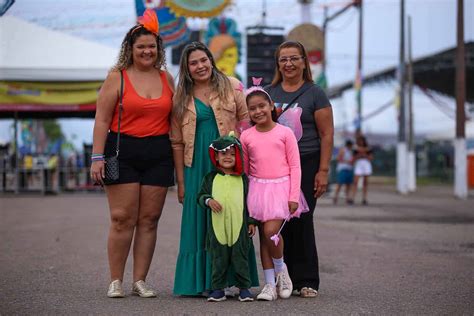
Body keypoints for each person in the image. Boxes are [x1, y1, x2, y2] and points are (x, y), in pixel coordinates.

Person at [90, 9, 175, 298]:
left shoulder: (167, 78)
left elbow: (176, 119)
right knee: (122, 218)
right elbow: (102, 119)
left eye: (152, 46)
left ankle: (140, 280)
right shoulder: (118, 78)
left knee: (149, 220)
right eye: (141, 47)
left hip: (159, 153)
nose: (147, 51)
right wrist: (96, 157)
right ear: (131, 49)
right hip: (122, 150)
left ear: (158, 49)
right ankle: (116, 280)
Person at [170, 41, 259, 296]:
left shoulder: (231, 85)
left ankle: (236, 279)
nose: (200, 66)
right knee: (199, 220)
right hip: (196, 164)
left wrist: (244, 166)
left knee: (232, 218)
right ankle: (203, 282)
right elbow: (176, 142)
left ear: (211, 59)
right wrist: (182, 181)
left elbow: (246, 123)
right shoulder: (181, 97)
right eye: (193, 63)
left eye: (203, 60)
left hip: (229, 163)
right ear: (186, 69)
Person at [265, 40, 334, 298]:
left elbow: (327, 134)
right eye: (283, 59)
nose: (289, 63)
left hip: (307, 162)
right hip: (275, 166)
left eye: (294, 58)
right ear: (278, 64)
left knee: (302, 219)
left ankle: (307, 280)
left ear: (304, 62)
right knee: (278, 222)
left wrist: (323, 170)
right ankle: (284, 278)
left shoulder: (315, 93)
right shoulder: (270, 93)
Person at [240, 86, 308, 301]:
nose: (258, 111)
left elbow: (295, 166)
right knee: (263, 238)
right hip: (258, 190)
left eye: (262, 106)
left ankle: (282, 270)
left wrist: (293, 195)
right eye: (252, 109)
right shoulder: (247, 136)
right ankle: (269, 285)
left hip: (281, 189)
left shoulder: (284, 133)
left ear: (271, 106)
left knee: (271, 232)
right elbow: (245, 169)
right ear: (248, 112)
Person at [197, 133, 257, 302]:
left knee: (241, 257)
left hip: (239, 226)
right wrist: (209, 201)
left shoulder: (243, 179)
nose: (228, 157)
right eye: (224, 154)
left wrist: (252, 222)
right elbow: (200, 197)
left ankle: (244, 288)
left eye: (232, 154)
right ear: (216, 156)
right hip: (217, 227)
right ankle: (218, 289)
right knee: (218, 258)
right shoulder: (210, 178)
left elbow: (249, 202)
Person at [350, 135, 373, 205]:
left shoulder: (368, 149)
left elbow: (371, 158)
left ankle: (364, 198)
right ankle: (352, 198)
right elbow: (353, 159)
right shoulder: (355, 149)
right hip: (359, 164)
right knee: (355, 182)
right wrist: (360, 154)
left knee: (365, 183)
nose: (360, 142)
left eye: (361, 141)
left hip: (366, 164)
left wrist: (364, 154)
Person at [333, 140, 354, 205]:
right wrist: (347, 161)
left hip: (349, 169)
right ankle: (335, 197)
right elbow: (339, 158)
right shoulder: (343, 150)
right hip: (343, 169)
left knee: (348, 185)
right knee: (340, 184)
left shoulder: (351, 151)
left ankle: (347, 198)